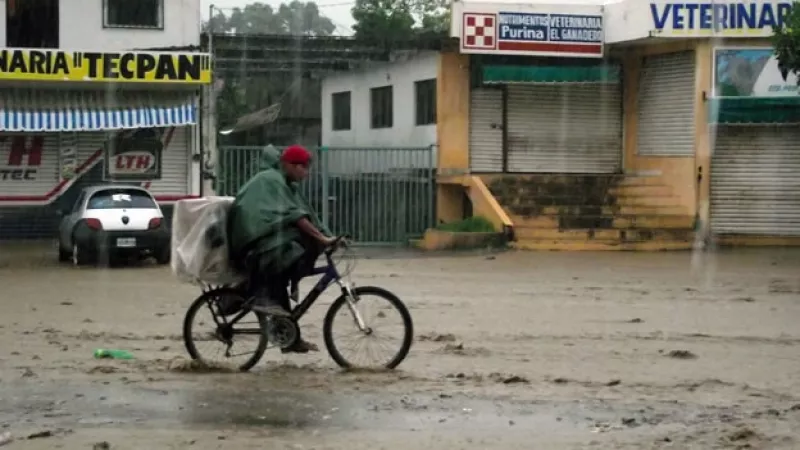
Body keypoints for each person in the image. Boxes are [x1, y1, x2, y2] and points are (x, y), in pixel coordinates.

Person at [227, 144, 334, 353]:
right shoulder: (272, 180)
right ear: (288, 165)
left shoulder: (286, 183)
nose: (306, 173)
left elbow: (307, 214)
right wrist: (321, 237)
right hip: (253, 243)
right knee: (299, 245)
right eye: (303, 167)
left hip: (264, 239)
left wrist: (328, 237)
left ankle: (290, 339)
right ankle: (260, 294)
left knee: (282, 281)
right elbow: (295, 215)